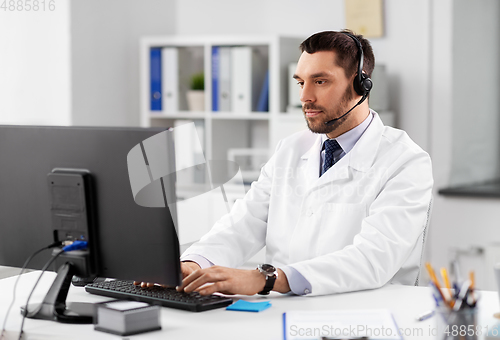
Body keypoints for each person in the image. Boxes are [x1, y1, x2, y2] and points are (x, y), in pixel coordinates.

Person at [176, 30, 433, 297]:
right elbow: (245, 221)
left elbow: (373, 259)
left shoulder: (406, 162)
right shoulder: (290, 149)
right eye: (301, 83)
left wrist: (267, 279)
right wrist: (195, 263)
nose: (305, 96)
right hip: (286, 310)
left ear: (360, 84)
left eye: (320, 81)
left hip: (366, 318)